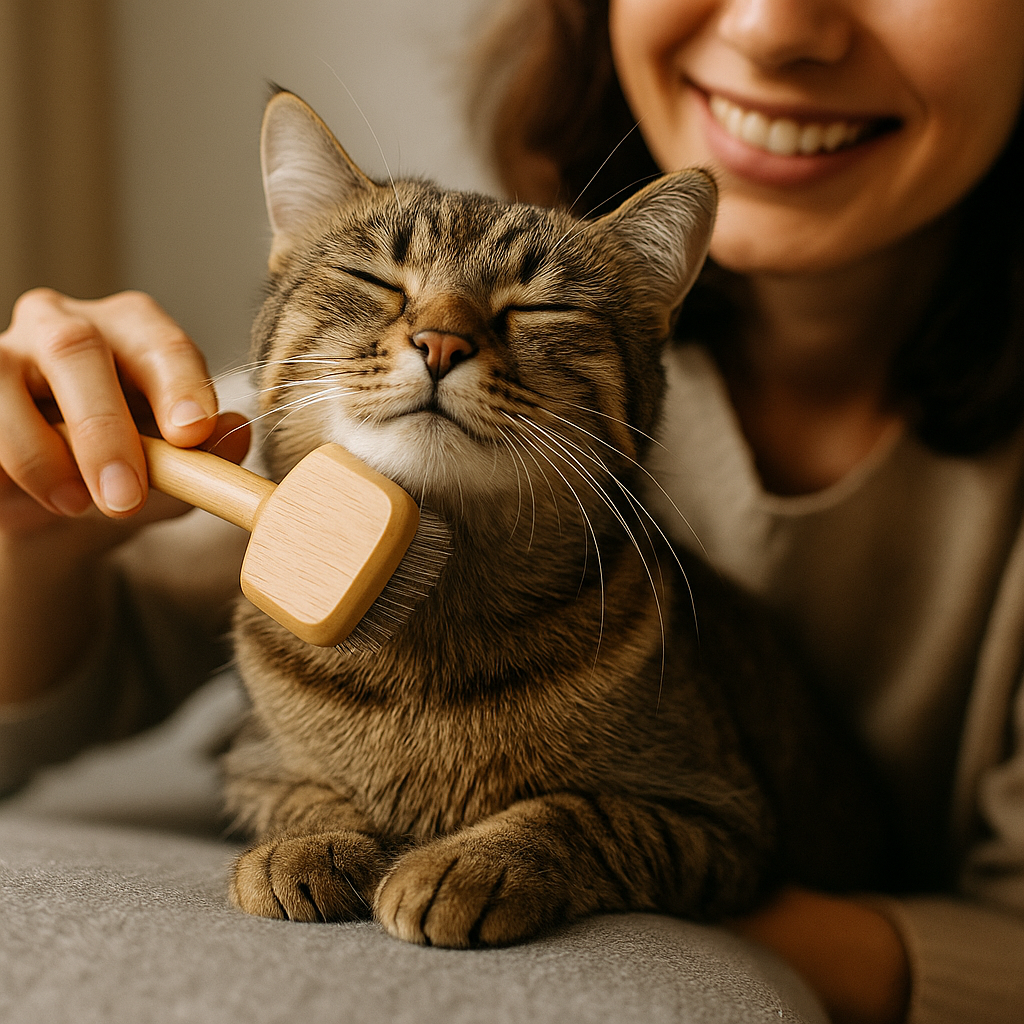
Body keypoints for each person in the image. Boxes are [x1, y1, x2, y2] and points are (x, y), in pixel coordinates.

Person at [0, 1, 1022, 1023]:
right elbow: (88, 689)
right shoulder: (313, 434)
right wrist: (34, 534)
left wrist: (549, 850)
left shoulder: (625, 513)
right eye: (368, 278)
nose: (439, 338)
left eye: (537, 312)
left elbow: (724, 830)